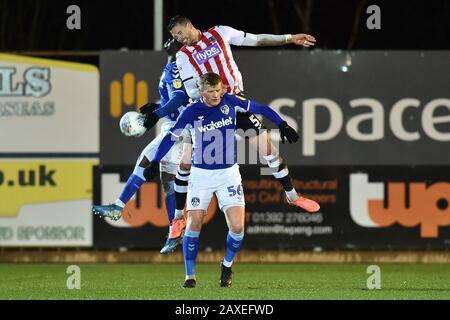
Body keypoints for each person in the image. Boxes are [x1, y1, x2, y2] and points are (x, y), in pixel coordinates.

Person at [145, 15, 320, 215]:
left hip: (234, 104)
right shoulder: (183, 56)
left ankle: (292, 196)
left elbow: (256, 40)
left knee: (269, 152)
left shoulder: (220, 32)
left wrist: (288, 38)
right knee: (185, 162)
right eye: (175, 36)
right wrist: (210, 94)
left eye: (179, 33)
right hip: (207, 110)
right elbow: (191, 91)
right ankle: (177, 219)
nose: (179, 38)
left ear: (189, 25)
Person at [143, 73, 303, 288]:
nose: (216, 95)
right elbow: (172, 137)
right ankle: (189, 276)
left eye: (218, 90)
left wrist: (282, 124)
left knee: (237, 226)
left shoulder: (231, 102)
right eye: (210, 91)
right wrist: (154, 162)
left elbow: (262, 109)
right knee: (194, 223)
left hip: (228, 174)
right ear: (201, 93)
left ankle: (227, 265)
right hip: (201, 175)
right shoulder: (192, 111)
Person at [91, 38, 190, 254]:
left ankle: (119, 207)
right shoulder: (174, 64)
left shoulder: (176, 66)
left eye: (176, 37)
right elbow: (178, 100)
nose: (171, 39)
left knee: (149, 162)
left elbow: (180, 99)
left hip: (180, 128)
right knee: (167, 180)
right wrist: (158, 107)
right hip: (177, 125)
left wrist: (156, 113)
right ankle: (175, 228)